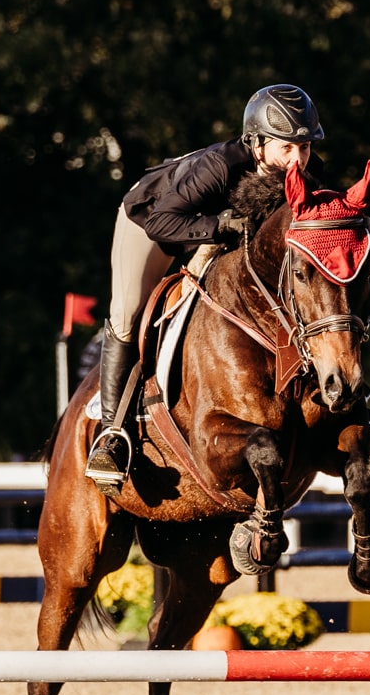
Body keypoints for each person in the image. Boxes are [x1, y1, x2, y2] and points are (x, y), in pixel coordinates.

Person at [84, 84, 324, 490]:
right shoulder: (218, 167)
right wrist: (217, 227)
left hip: (217, 234)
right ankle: (112, 434)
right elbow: (163, 221)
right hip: (155, 221)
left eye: (304, 148)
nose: (297, 160)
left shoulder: (299, 176)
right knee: (127, 313)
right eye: (287, 148)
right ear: (258, 143)